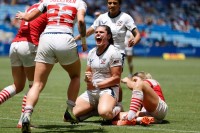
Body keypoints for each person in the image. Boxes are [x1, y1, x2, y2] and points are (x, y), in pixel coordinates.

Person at [16, 0, 87, 132]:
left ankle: (26, 114)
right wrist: (83, 41)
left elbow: (29, 17)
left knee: (37, 84)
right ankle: (69, 110)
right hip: (65, 37)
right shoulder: (79, 2)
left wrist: (23, 15)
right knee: (75, 76)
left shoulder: (47, 0)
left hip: (46, 38)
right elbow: (81, 22)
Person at [75, 0, 141, 105]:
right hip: (102, 51)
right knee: (99, 78)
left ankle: (117, 106)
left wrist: (135, 40)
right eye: (110, 3)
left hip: (118, 53)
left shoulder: (126, 18)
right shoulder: (102, 18)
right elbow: (90, 31)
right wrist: (76, 39)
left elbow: (137, 34)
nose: (112, 5)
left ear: (119, 5)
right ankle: (101, 103)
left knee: (114, 82)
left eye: (115, 3)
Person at [0, 1, 47, 128]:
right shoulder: (50, 7)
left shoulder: (33, 6)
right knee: (34, 86)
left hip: (15, 45)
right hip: (28, 45)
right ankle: (23, 121)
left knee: (17, 85)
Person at [66, 25, 123, 122]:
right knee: (68, 116)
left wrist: (97, 84)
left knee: (105, 113)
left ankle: (119, 108)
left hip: (107, 90)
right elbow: (88, 72)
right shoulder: (92, 52)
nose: (98, 34)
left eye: (101, 32)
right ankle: (94, 111)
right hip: (91, 92)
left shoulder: (114, 52)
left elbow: (116, 78)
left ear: (108, 36)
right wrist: (87, 78)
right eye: (96, 32)